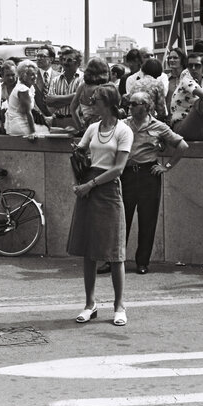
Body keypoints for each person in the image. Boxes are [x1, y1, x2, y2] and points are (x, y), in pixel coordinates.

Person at [68, 83, 133, 327]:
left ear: (108, 103)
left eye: (95, 100)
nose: (92, 104)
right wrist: (77, 183)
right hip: (89, 189)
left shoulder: (123, 131)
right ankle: (90, 304)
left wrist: (89, 184)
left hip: (107, 190)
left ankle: (119, 306)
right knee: (89, 250)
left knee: (115, 253)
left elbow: (118, 168)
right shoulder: (93, 128)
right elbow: (77, 155)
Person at [106, 90, 187, 276]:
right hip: (125, 174)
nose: (130, 107)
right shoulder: (122, 124)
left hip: (148, 174)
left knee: (147, 220)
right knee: (119, 220)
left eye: (135, 104)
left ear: (146, 106)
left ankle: (142, 262)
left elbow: (182, 146)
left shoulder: (159, 126)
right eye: (130, 104)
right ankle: (114, 261)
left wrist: (166, 166)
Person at [4, 60, 49, 136]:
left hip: (18, 124)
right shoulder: (22, 89)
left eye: (35, 74)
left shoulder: (29, 88)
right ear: (23, 76)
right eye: (31, 74)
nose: (35, 77)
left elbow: (34, 109)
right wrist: (33, 132)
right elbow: (28, 112)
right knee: (46, 130)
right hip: (19, 126)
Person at [70, 57, 110, 132]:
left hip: (88, 128)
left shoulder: (82, 87)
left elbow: (72, 108)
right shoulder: (105, 88)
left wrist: (80, 127)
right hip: (104, 129)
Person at [46, 47, 82, 119]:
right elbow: (49, 102)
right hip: (58, 121)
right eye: (63, 59)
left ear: (77, 63)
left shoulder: (83, 78)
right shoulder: (55, 80)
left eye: (69, 60)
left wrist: (56, 98)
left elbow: (81, 97)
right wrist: (73, 99)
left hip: (78, 121)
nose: (65, 62)